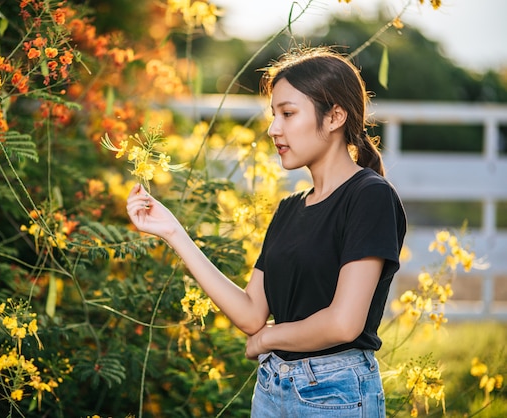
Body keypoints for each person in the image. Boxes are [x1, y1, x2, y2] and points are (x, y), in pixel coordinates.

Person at [126, 47, 406, 417]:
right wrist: (173, 232)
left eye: (288, 113)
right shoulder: (290, 208)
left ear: (335, 115)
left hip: (334, 393)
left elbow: (343, 323)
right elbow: (251, 313)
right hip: (272, 387)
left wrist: (270, 338)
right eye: (274, 115)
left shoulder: (369, 196)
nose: (274, 129)